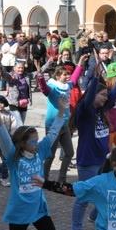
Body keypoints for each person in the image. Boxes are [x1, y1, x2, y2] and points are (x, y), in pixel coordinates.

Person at [0, 97, 68, 230]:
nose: (36, 143)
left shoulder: (40, 151)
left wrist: (62, 111)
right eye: (32, 141)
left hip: (38, 208)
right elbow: (5, 140)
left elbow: (53, 133)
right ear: (22, 143)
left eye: (36, 140)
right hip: (19, 210)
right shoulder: (14, 158)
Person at [70, 61, 116, 230]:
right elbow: (88, 99)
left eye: (106, 95)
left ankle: (95, 216)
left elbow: (114, 93)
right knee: (84, 198)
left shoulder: (102, 110)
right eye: (102, 95)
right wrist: (96, 78)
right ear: (93, 94)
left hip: (103, 159)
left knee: (106, 192)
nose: (106, 98)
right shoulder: (85, 112)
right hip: (88, 161)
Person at [37, 53, 87, 183]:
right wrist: (40, 78)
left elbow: (75, 78)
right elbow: (44, 89)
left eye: (67, 74)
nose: (68, 76)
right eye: (65, 75)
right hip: (53, 125)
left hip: (64, 124)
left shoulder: (67, 86)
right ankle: (44, 177)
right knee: (50, 155)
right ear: (58, 76)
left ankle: (62, 178)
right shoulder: (53, 87)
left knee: (69, 153)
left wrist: (80, 63)